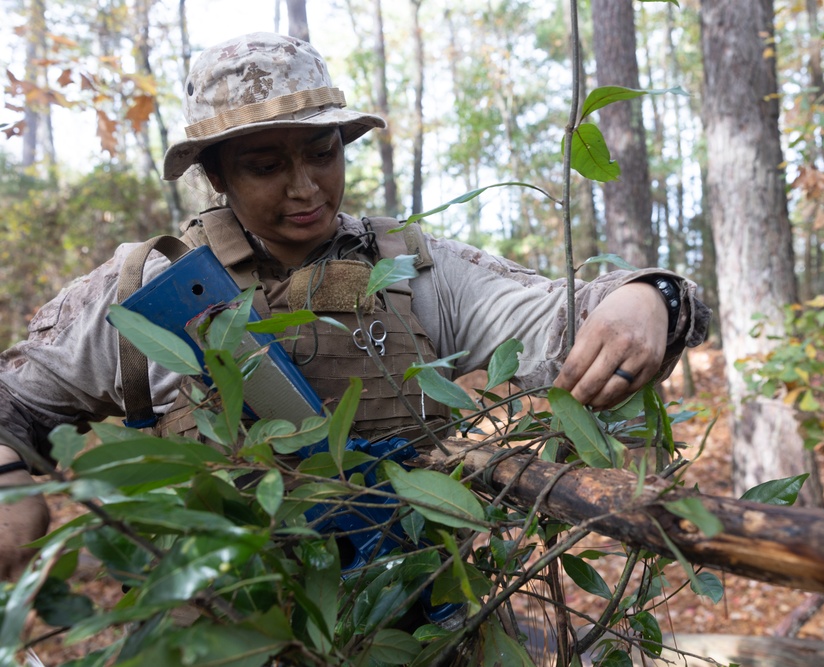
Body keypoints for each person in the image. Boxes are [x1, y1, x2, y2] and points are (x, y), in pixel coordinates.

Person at [0, 32, 710, 576]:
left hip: (424, 619)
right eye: (266, 165)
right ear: (214, 173)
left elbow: (571, 316)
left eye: (322, 152)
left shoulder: (412, 270)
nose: (305, 187)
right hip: (222, 630)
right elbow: (15, 402)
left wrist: (650, 296)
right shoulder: (140, 293)